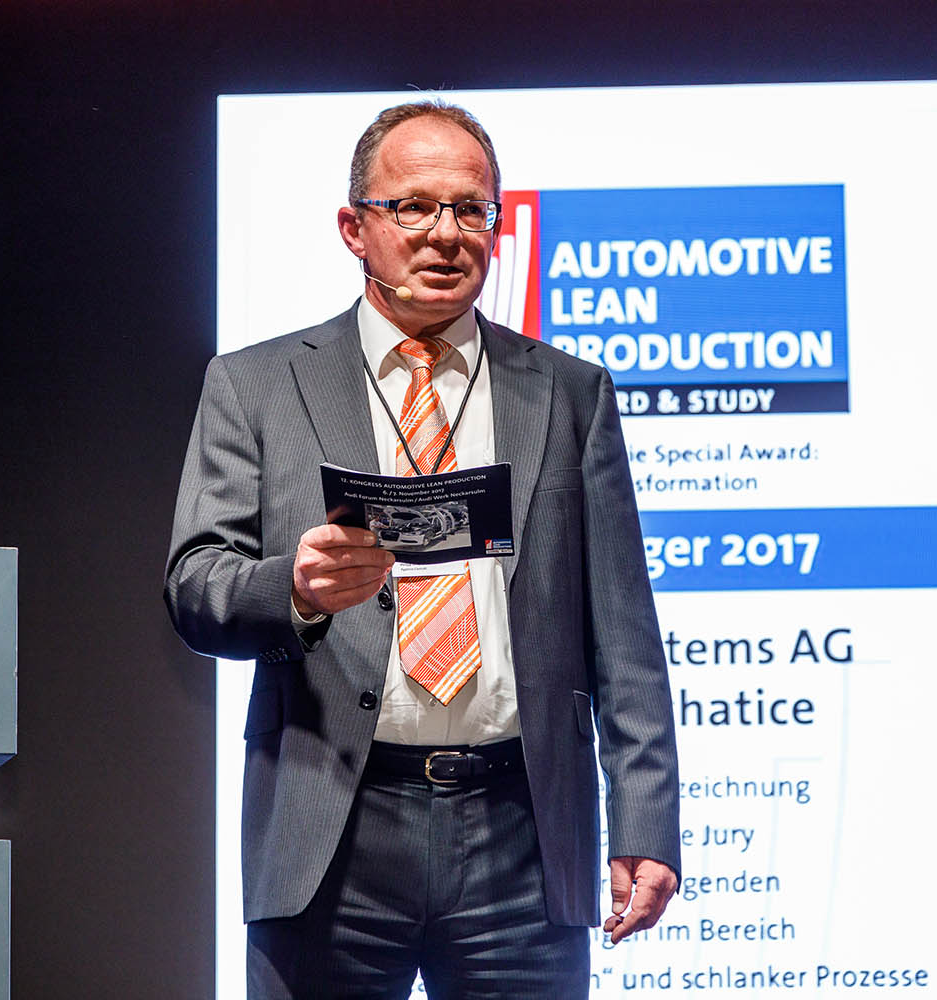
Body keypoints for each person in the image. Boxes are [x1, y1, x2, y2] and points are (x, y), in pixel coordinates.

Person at [165, 100, 680, 999]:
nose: (446, 234)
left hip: (521, 835)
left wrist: (643, 819)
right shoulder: (255, 385)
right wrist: (296, 588)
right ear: (354, 228)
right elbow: (195, 588)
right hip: (334, 828)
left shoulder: (570, 393)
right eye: (413, 207)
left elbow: (624, 634)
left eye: (470, 209)